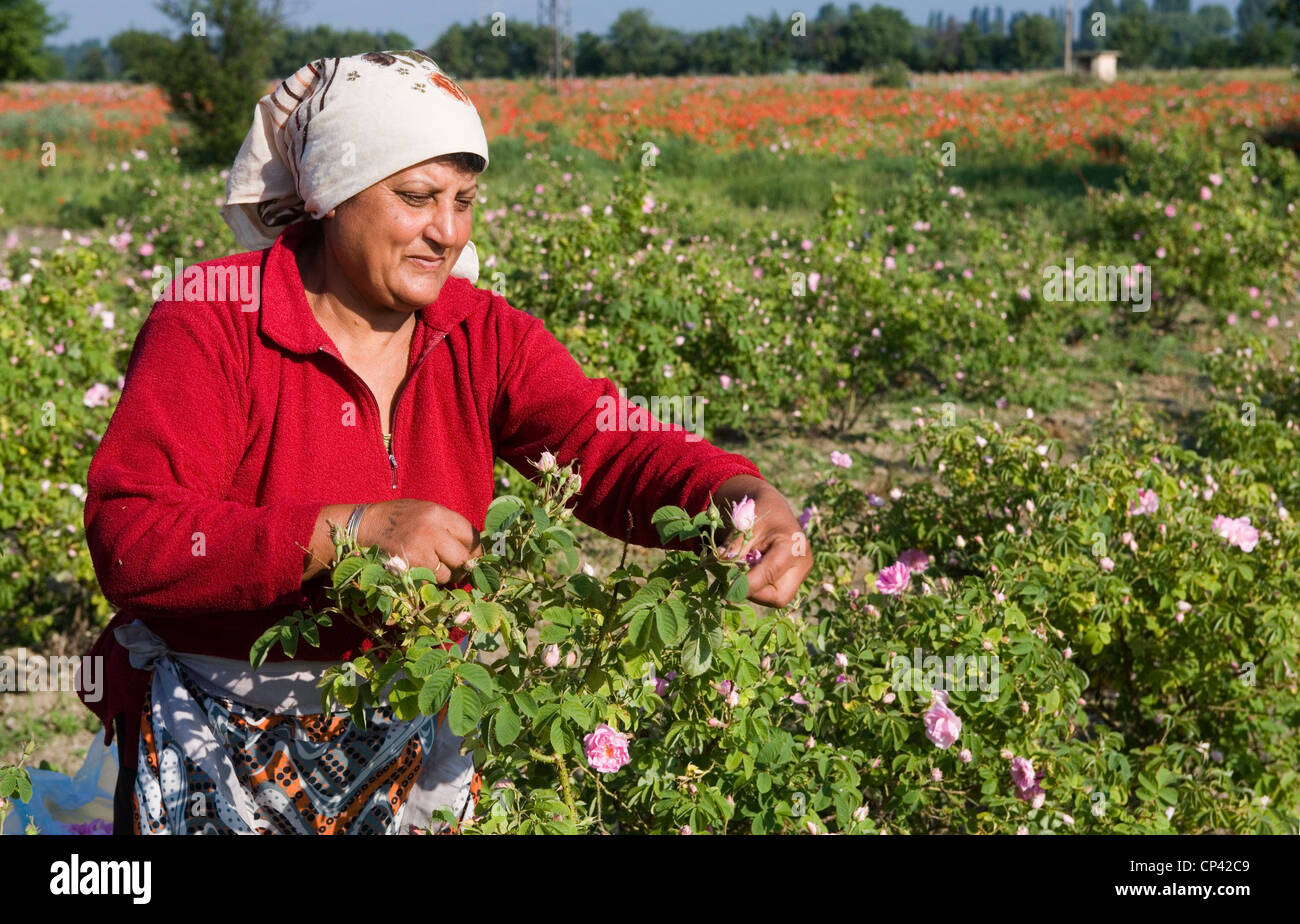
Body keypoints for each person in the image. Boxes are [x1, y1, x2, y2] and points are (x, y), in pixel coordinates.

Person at [78, 50, 811, 835]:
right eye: (418, 197)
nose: (449, 232)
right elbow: (133, 537)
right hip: (214, 727)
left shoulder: (481, 334)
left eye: (465, 200)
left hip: (418, 716)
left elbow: (605, 442)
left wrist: (732, 494)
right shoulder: (214, 319)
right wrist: (349, 532)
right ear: (330, 195)